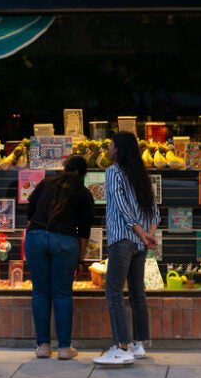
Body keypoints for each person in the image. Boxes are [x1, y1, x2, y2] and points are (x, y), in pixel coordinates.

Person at [94, 132, 160, 366]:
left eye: (111, 145)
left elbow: (121, 205)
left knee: (113, 293)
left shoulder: (113, 172)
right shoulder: (141, 175)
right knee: (136, 293)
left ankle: (121, 347)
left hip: (122, 239)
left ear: (119, 149)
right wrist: (148, 234)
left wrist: (141, 233)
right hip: (140, 244)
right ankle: (138, 343)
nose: (108, 149)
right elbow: (154, 209)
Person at [24, 155, 95, 360]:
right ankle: (64, 348)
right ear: (83, 174)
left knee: (40, 293)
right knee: (62, 294)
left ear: (64, 168)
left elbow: (30, 211)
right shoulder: (83, 193)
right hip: (64, 241)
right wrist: (81, 260)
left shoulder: (46, 183)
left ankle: (43, 347)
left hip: (36, 237)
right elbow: (84, 231)